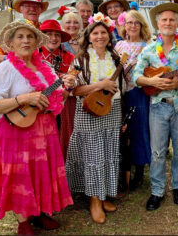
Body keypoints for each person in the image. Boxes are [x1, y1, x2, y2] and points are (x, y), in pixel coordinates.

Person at [0, 20, 75, 235]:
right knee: (20, 177)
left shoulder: (46, 69)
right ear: (11, 42)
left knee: (41, 173)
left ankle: (39, 211)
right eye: (20, 36)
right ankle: (23, 221)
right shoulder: (5, 69)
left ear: (36, 42)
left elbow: (56, 99)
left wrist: (66, 88)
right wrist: (24, 98)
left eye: (30, 37)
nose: (25, 40)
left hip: (45, 131)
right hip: (16, 132)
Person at [131, 2, 178, 211]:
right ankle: (157, 190)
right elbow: (136, 76)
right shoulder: (148, 49)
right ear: (157, 23)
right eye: (164, 19)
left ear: (177, 23)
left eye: (172, 20)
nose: (168, 23)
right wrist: (152, 82)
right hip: (158, 106)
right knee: (157, 152)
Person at [65, 13, 123, 224]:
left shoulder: (116, 57)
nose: (100, 36)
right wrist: (100, 85)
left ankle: (105, 192)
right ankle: (94, 200)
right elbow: (74, 90)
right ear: (88, 37)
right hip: (88, 112)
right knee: (93, 157)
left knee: (108, 153)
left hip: (112, 109)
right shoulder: (80, 59)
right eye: (95, 33)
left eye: (103, 33)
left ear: (109, 35)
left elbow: (121, 88)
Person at [115, 10, 152, 190]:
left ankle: (140, 170)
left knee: (140, 129)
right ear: (124, 25)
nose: (132, 26)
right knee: (123, 129)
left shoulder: (148, 46)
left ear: (142, 25)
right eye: (129, 22)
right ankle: (123, 170)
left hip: (139, 92)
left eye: (136, 23)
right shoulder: (119, 46)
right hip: (121, 92)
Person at [39, 19, 76, 161]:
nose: (53, 38)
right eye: (49, 34)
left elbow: (71, 83)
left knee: (59, 140)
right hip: (36, 106)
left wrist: (67, 88)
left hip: (61, 106)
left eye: (57, 35)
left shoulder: (69, 56)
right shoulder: (32, 55)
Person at [0, 0, 48, 65]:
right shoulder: (11, 30)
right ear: (21, 9)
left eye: (36, 6)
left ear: (40, 10)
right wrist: (14, 59)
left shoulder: (47, 30)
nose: (32, 9)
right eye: (27, 6)